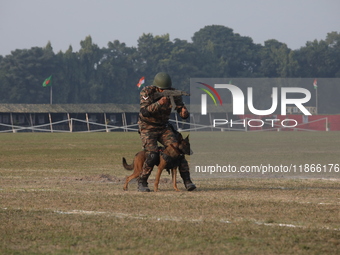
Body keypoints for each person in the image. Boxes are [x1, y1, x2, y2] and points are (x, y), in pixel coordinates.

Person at [137, 72, 196, 192]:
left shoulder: (174, 94)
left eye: (167, 89)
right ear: (156, 87)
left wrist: (184, 113)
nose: (164, 91)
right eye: (162, 89)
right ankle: (142, 181)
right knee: (152, 154)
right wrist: (159, 103)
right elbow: (144, 112)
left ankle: (187, 181)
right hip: (147, 127)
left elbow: (181, 110)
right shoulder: (147, 92)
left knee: (178, 150)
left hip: (163, 127)